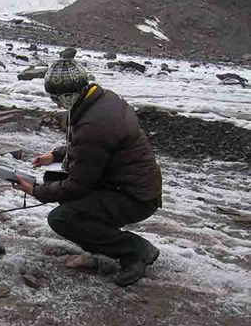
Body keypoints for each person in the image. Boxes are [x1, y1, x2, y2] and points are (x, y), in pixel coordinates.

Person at [15, 49, 163, 287]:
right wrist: (54, 155)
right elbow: (90, 149)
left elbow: (78, 185)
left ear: (70, 94)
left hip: (135, 197)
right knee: (54, 177)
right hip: (132, 186)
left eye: (58, 98)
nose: (57, 103)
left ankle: (135, 251)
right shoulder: (101, 99)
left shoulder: (95, 123)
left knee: (61, 218)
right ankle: (103, 235)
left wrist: (36, 191)